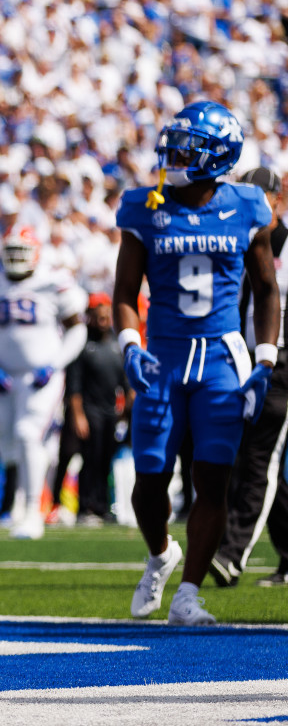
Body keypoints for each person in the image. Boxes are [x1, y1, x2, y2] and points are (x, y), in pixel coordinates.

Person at [114, 101, 279, 626]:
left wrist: (266, 359)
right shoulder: (145, 207)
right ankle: (161, 553)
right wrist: (128, 343)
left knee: (213, 477)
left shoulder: (248, 206)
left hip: (220, 358)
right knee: (149, 479)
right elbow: (123, 291)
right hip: (161, 355)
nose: (174, 153)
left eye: (188, 146)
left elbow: (268, 288)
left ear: (219, 155)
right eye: (174, 142)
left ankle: (188, 594)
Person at [0, 226, 87, 540]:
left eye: (22, 252)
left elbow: (78, 329)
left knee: (27, 435)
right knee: (8, 446)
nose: (15, 258)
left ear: (36, 253)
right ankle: (21, 504)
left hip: (41, 376)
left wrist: (56, 363)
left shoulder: (54, 282)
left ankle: (34, 511)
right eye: (11, 251)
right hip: (4, 378)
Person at [209, 167, 288, 588]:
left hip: (280, 363)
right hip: (245, 360)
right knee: (254, 459)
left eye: (258, 194)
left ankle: (232, 553)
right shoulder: (240, 243)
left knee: (260, 459)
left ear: (277, 198)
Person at [64, 292, 128, 524]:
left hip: (111, 411)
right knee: (89, 459)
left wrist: (127, 410)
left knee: (106, 460)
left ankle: (102, 505)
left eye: (105, 309)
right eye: (97, 309)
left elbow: (125, 382)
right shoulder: (82, 345)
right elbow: (74, 386)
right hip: (90, 411)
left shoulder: (115, 343)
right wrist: (78, 415)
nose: (102, 314)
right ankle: (86, 506)